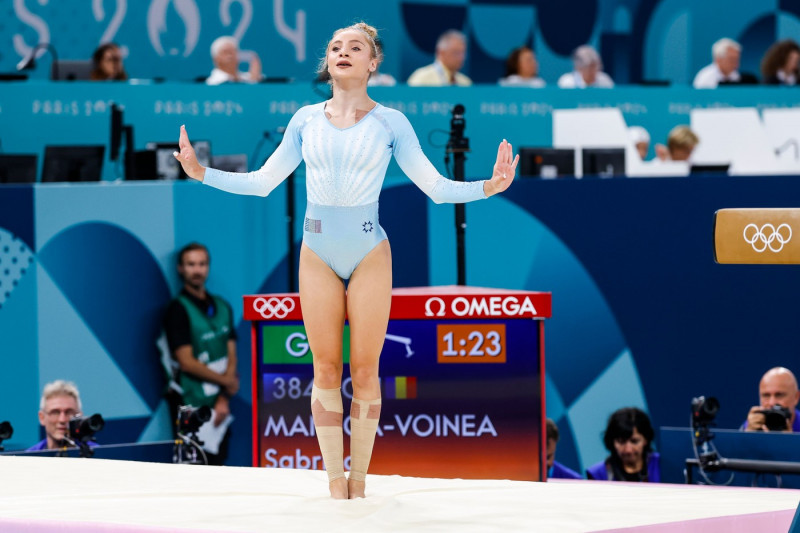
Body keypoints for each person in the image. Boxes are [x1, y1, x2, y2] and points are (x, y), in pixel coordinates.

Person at [173, 21, 517, 498]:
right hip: (317, 253)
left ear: (373, 62)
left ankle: (359, 481)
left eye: (355, 47)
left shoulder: (391, 122)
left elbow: (436, 189)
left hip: (369, 252)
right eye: (335, 47)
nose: (343, 52)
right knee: (326, 370)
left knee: (367, 370)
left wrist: (488, 187)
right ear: (327, 61)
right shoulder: (304, 120)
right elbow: (261, 182)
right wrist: (200, 173)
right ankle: (336, 482)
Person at [162, 242, 239, 465]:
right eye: (191, 264)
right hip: (189, 402)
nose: (197, 270)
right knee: (192, 470)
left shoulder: (223, 306)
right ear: (180, 269)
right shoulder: (177, 310)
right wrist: (228, 382)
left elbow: (231, 354)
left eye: (202, 264)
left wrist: (224, 397)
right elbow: (186, 362)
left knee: (218, 464)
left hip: (221, 405)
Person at [586, 407, 660, 482]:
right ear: (612, 441)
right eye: (621, 441)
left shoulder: (663, 466)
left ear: (646, 440)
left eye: (634, 441)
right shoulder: (597, 474)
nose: (628, 450)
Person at [27, 380, 87, 450]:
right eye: (55, 412)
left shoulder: (98, 457)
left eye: (68, 412)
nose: (62, 420)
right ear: (42, 418)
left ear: (79, 417)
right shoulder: (29, 458)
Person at [743, 367, 800, 432]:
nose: (772, 402)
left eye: (779, 395)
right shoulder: (752, 425)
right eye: (766, 395)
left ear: (796, 397)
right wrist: (748, 436)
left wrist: (790, 440)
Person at [407, 29, 472, 86]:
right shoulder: (422, 78)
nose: (461, 57)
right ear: (440, 52)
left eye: (463, 53)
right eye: (456, 53)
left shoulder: (466, 83)